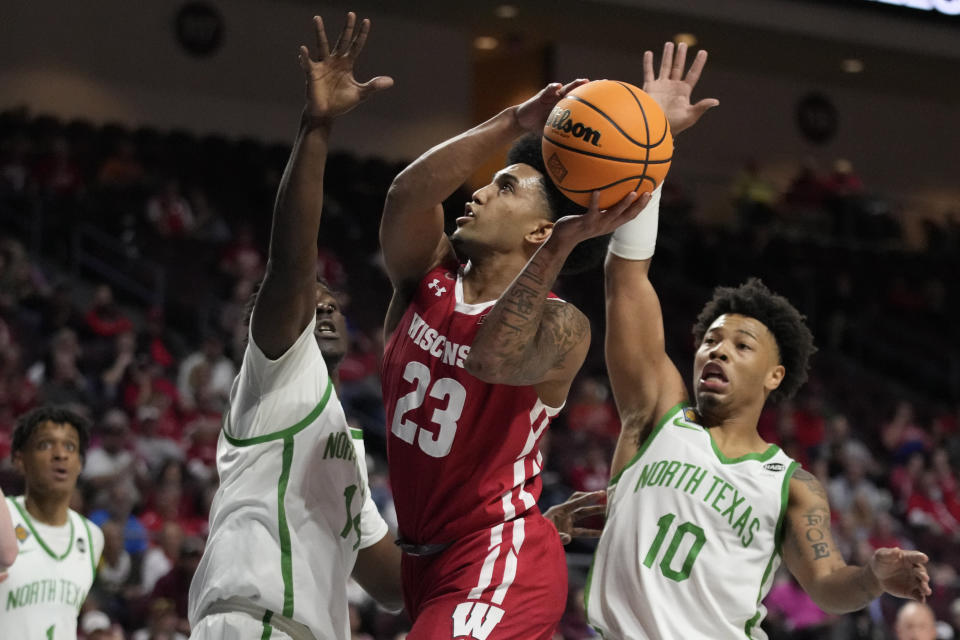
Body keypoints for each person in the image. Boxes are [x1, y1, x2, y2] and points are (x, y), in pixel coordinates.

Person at [549, 42, 931, 639]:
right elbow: (626, 276)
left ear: (775, 375)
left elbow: (829, 585)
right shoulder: (655, 415)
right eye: (711, 340)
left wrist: (872, 580)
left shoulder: (792, 484)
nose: (717, 349)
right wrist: (654, 142)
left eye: (742, 345)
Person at [378, 51, 654, 637]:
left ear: (539, 231)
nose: (477, 193)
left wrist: (560, 245)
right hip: (425, 562)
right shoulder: (426, 279)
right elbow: (406, 195)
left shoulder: (564, 327)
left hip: (496, 559)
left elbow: (492, 356)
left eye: (503, 188)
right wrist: (513, 123)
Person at [187, 12, 401, 640]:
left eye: (333, 301)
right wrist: (317, 127)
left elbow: (390, 585)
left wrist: (521, 530)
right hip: (253, 623)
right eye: (313, 300)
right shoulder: (276, 374)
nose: (325, 306)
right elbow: (291, 258)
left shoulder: (341, 437)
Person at [1, 405, 105, 639]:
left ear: (79, 464)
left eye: (70, 446)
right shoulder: (4, 515)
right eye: (45, 444)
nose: (60, 454)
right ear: (19, 460)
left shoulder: (92, 536)